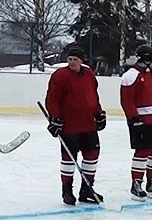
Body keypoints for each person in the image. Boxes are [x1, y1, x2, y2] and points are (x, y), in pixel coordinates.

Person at [45, 45, 107, 206]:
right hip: (69, 125)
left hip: (88, 124)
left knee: (92, 155)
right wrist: (55, 118)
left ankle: (87, 190)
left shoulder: (89, 74)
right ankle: (67, 190)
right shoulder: (60, 75)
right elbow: (52, 99)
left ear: (82, 61)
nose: (72, 62)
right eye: (69, 59)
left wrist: (98, 114)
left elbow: (93, 96)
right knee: (68, 158)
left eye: (75, 59)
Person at [120, 44, 152, 201]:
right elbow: (127, 100)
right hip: (141, 121)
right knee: (142, 152)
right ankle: (136, 184)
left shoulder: (149, 73)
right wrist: (133, 118)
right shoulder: (131, 75)